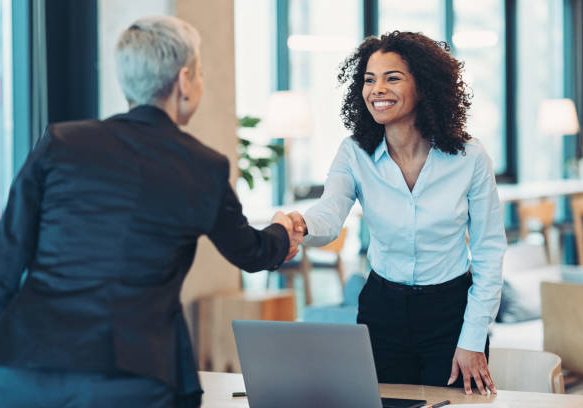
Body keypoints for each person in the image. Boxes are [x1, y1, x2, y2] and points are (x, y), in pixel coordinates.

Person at [0, 16, 302, 408]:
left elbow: (8, 255)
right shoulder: (202, 166)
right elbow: (251, 252)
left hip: (27, 368)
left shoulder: (60, 142)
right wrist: (281, 232)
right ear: (184, 81)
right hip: (132, 376)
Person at [288, 31, 506, 395]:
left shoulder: (470, 157)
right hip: (382, 310)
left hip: (449, 313)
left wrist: (472, 337)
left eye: (393, 78)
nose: (377, 89)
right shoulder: (354, 152)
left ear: (424, 86)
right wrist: (300, 225)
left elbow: (489, 251)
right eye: (370, 80)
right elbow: (329, 213)